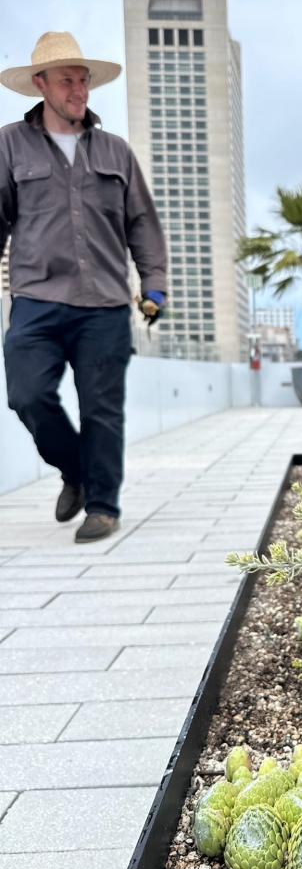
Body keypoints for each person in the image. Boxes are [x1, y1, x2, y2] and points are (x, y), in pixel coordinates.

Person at [0, 32, 167, 542]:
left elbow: (142, 223)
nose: (79, 89)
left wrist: (154, 286)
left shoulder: (115, 151)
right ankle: (74, 469)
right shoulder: (9, 144)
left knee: (102, 408)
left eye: (83, 79)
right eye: (67, 80)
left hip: (105, 304)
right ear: (40, 85)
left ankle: (102, 505)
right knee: (26, 395)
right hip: (35, 299)